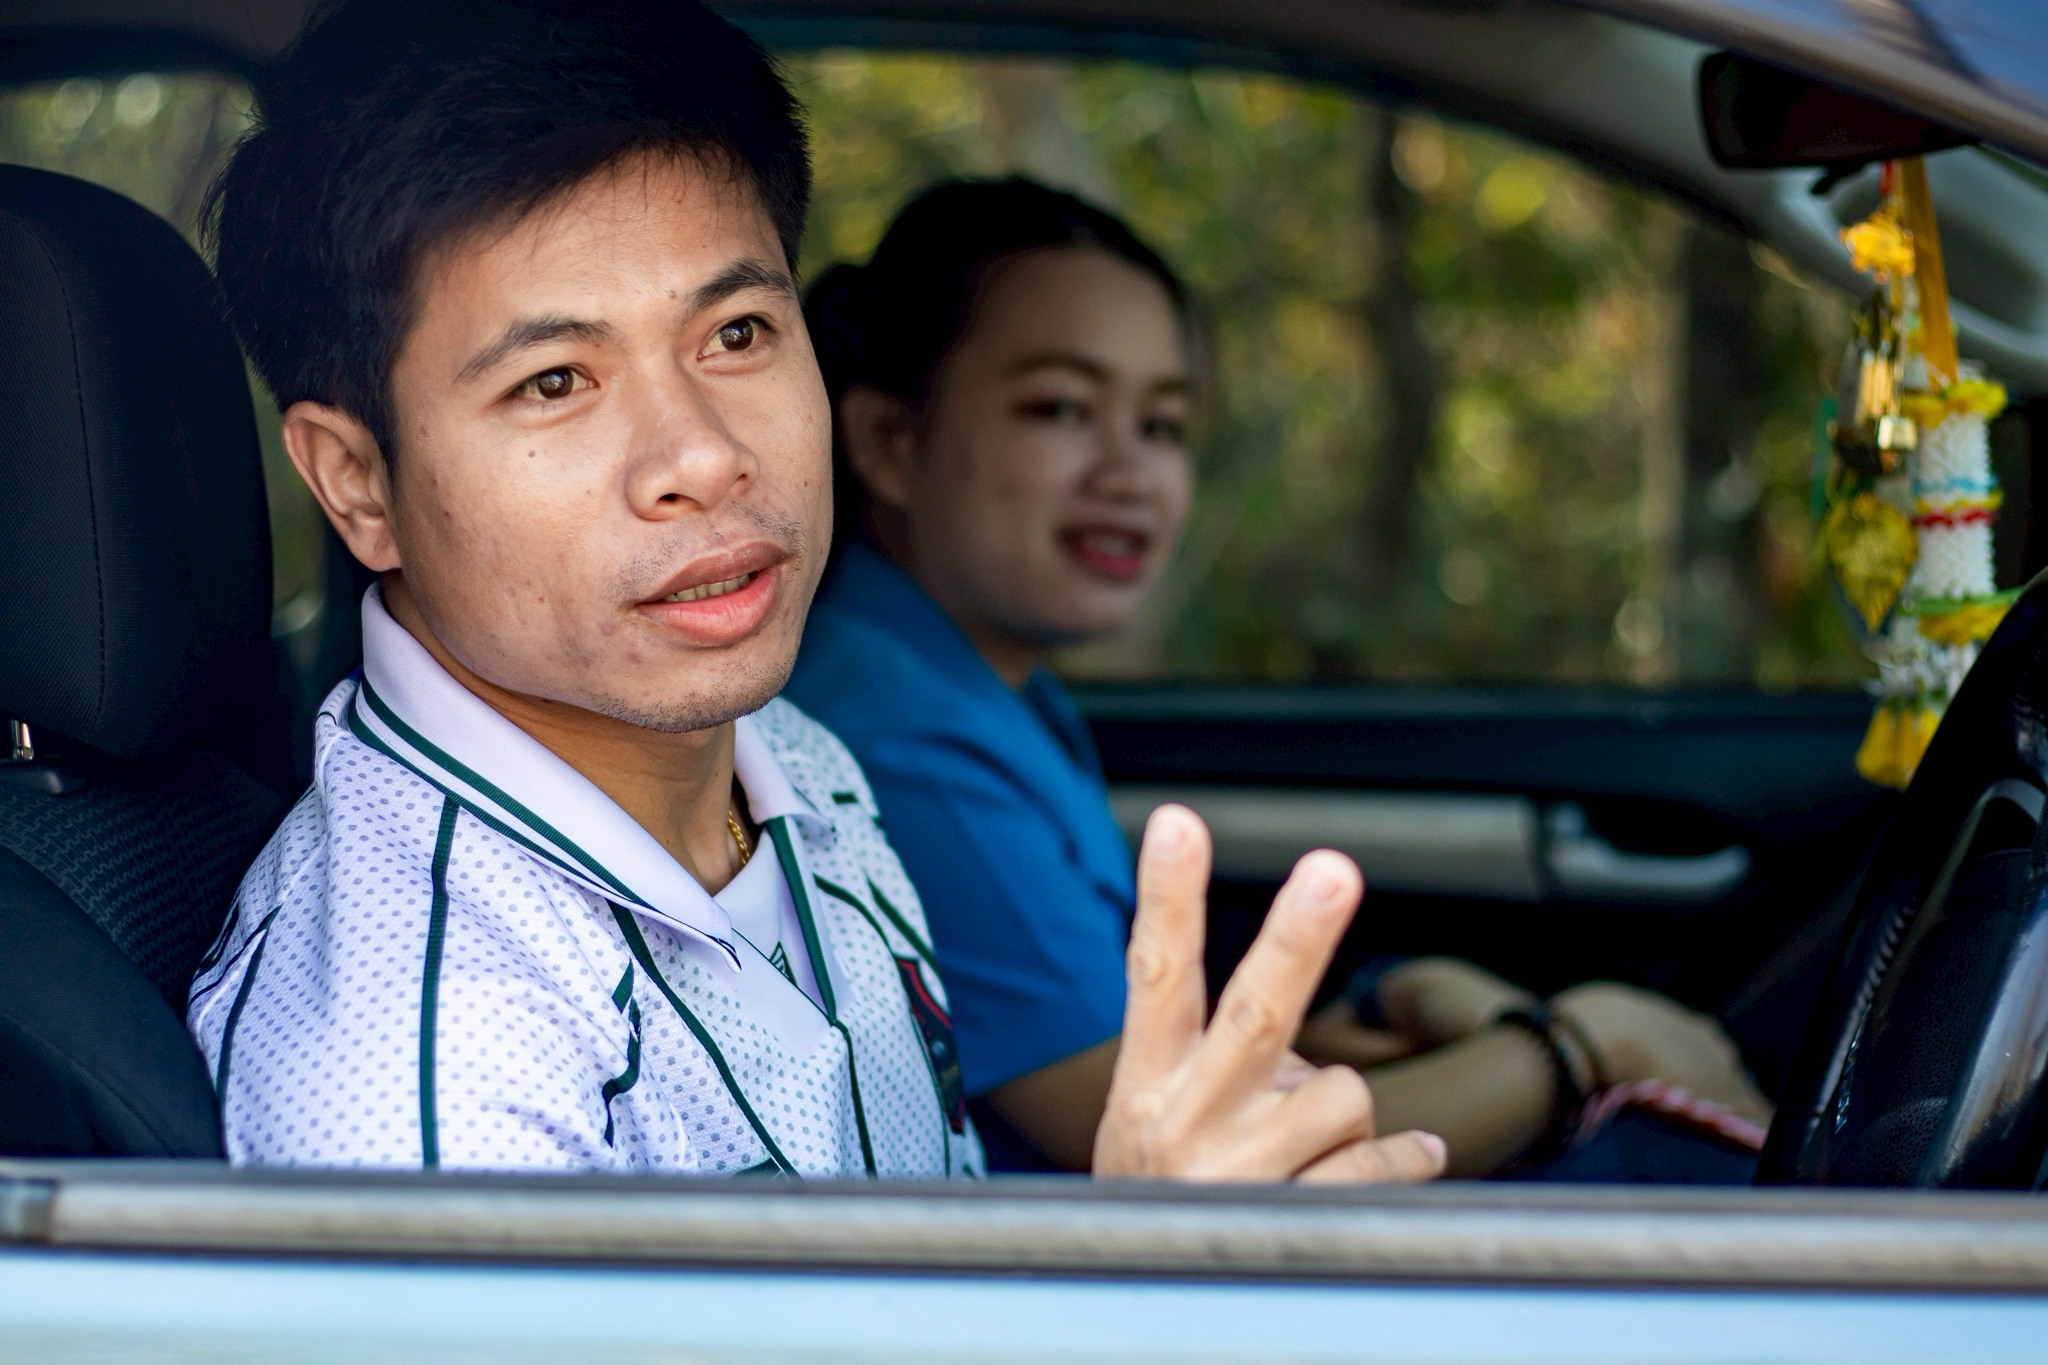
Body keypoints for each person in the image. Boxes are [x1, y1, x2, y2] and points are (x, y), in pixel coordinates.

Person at [185, 0, 1446, 1185]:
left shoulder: (789, 756)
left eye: (735, 335)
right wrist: (1146, 1278)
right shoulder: (422, 1070)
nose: (701, 456)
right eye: (555, 382)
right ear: (357, 482)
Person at [785, 179, 1772, 1176]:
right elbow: (1194, 1158)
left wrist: (1370, 1019)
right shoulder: (902, 746)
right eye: (1061, 408)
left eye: (1163, 425)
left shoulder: (974, 685)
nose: (1130, 474)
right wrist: (1582, 1044)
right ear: (888, 444)